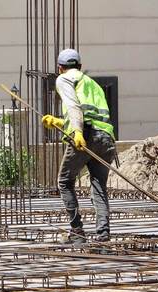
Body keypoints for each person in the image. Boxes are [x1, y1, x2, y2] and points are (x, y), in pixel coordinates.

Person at [42, 48, 116, 245]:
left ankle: (77, 232)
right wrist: (60, 122)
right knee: (99, 185)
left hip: (86, 134)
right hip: (106, 137)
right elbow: (91, 112)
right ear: (80, 66)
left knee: (65, 181)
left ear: (60, 68)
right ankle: (103, 233)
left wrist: (77, 131)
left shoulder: (64, 79)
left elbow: (74, 106)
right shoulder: (92, 83)